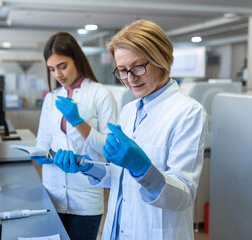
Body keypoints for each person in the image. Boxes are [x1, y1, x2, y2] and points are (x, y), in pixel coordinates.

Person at [53, 20, 208, 240]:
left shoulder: (188, 112)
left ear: (162, 59)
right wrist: (86, 167)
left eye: (138, 67)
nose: (130, 78)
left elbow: (183, 196)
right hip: (117, 230)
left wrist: (143, 168)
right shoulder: (129, 110)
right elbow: (120, 176)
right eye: (123, 70)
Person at [30, 31, 118, 240]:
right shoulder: (52, 98)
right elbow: (43, 140)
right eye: (52, 69)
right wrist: (40, 153)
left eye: (62, 66)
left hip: (86, 197)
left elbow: (109, 148)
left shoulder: (100, 94)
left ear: (77, 60)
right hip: (52, 192)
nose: (58, 75)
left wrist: (78, 122)